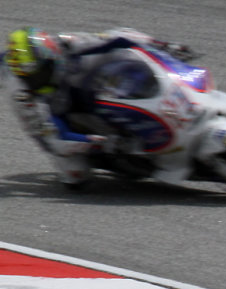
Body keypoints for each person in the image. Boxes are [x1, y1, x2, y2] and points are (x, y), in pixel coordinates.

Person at [3, 26, 194, 188]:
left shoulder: (66, 44)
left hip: (79, 84)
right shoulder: (23, 94)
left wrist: (162, 45)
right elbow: (54, 137)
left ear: (52, 54)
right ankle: (108, 155)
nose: (39, 78)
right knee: (75, 175)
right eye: (33, 76)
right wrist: (96, 141)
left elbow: (117, 36)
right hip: (52, 108)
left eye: (42, 70)